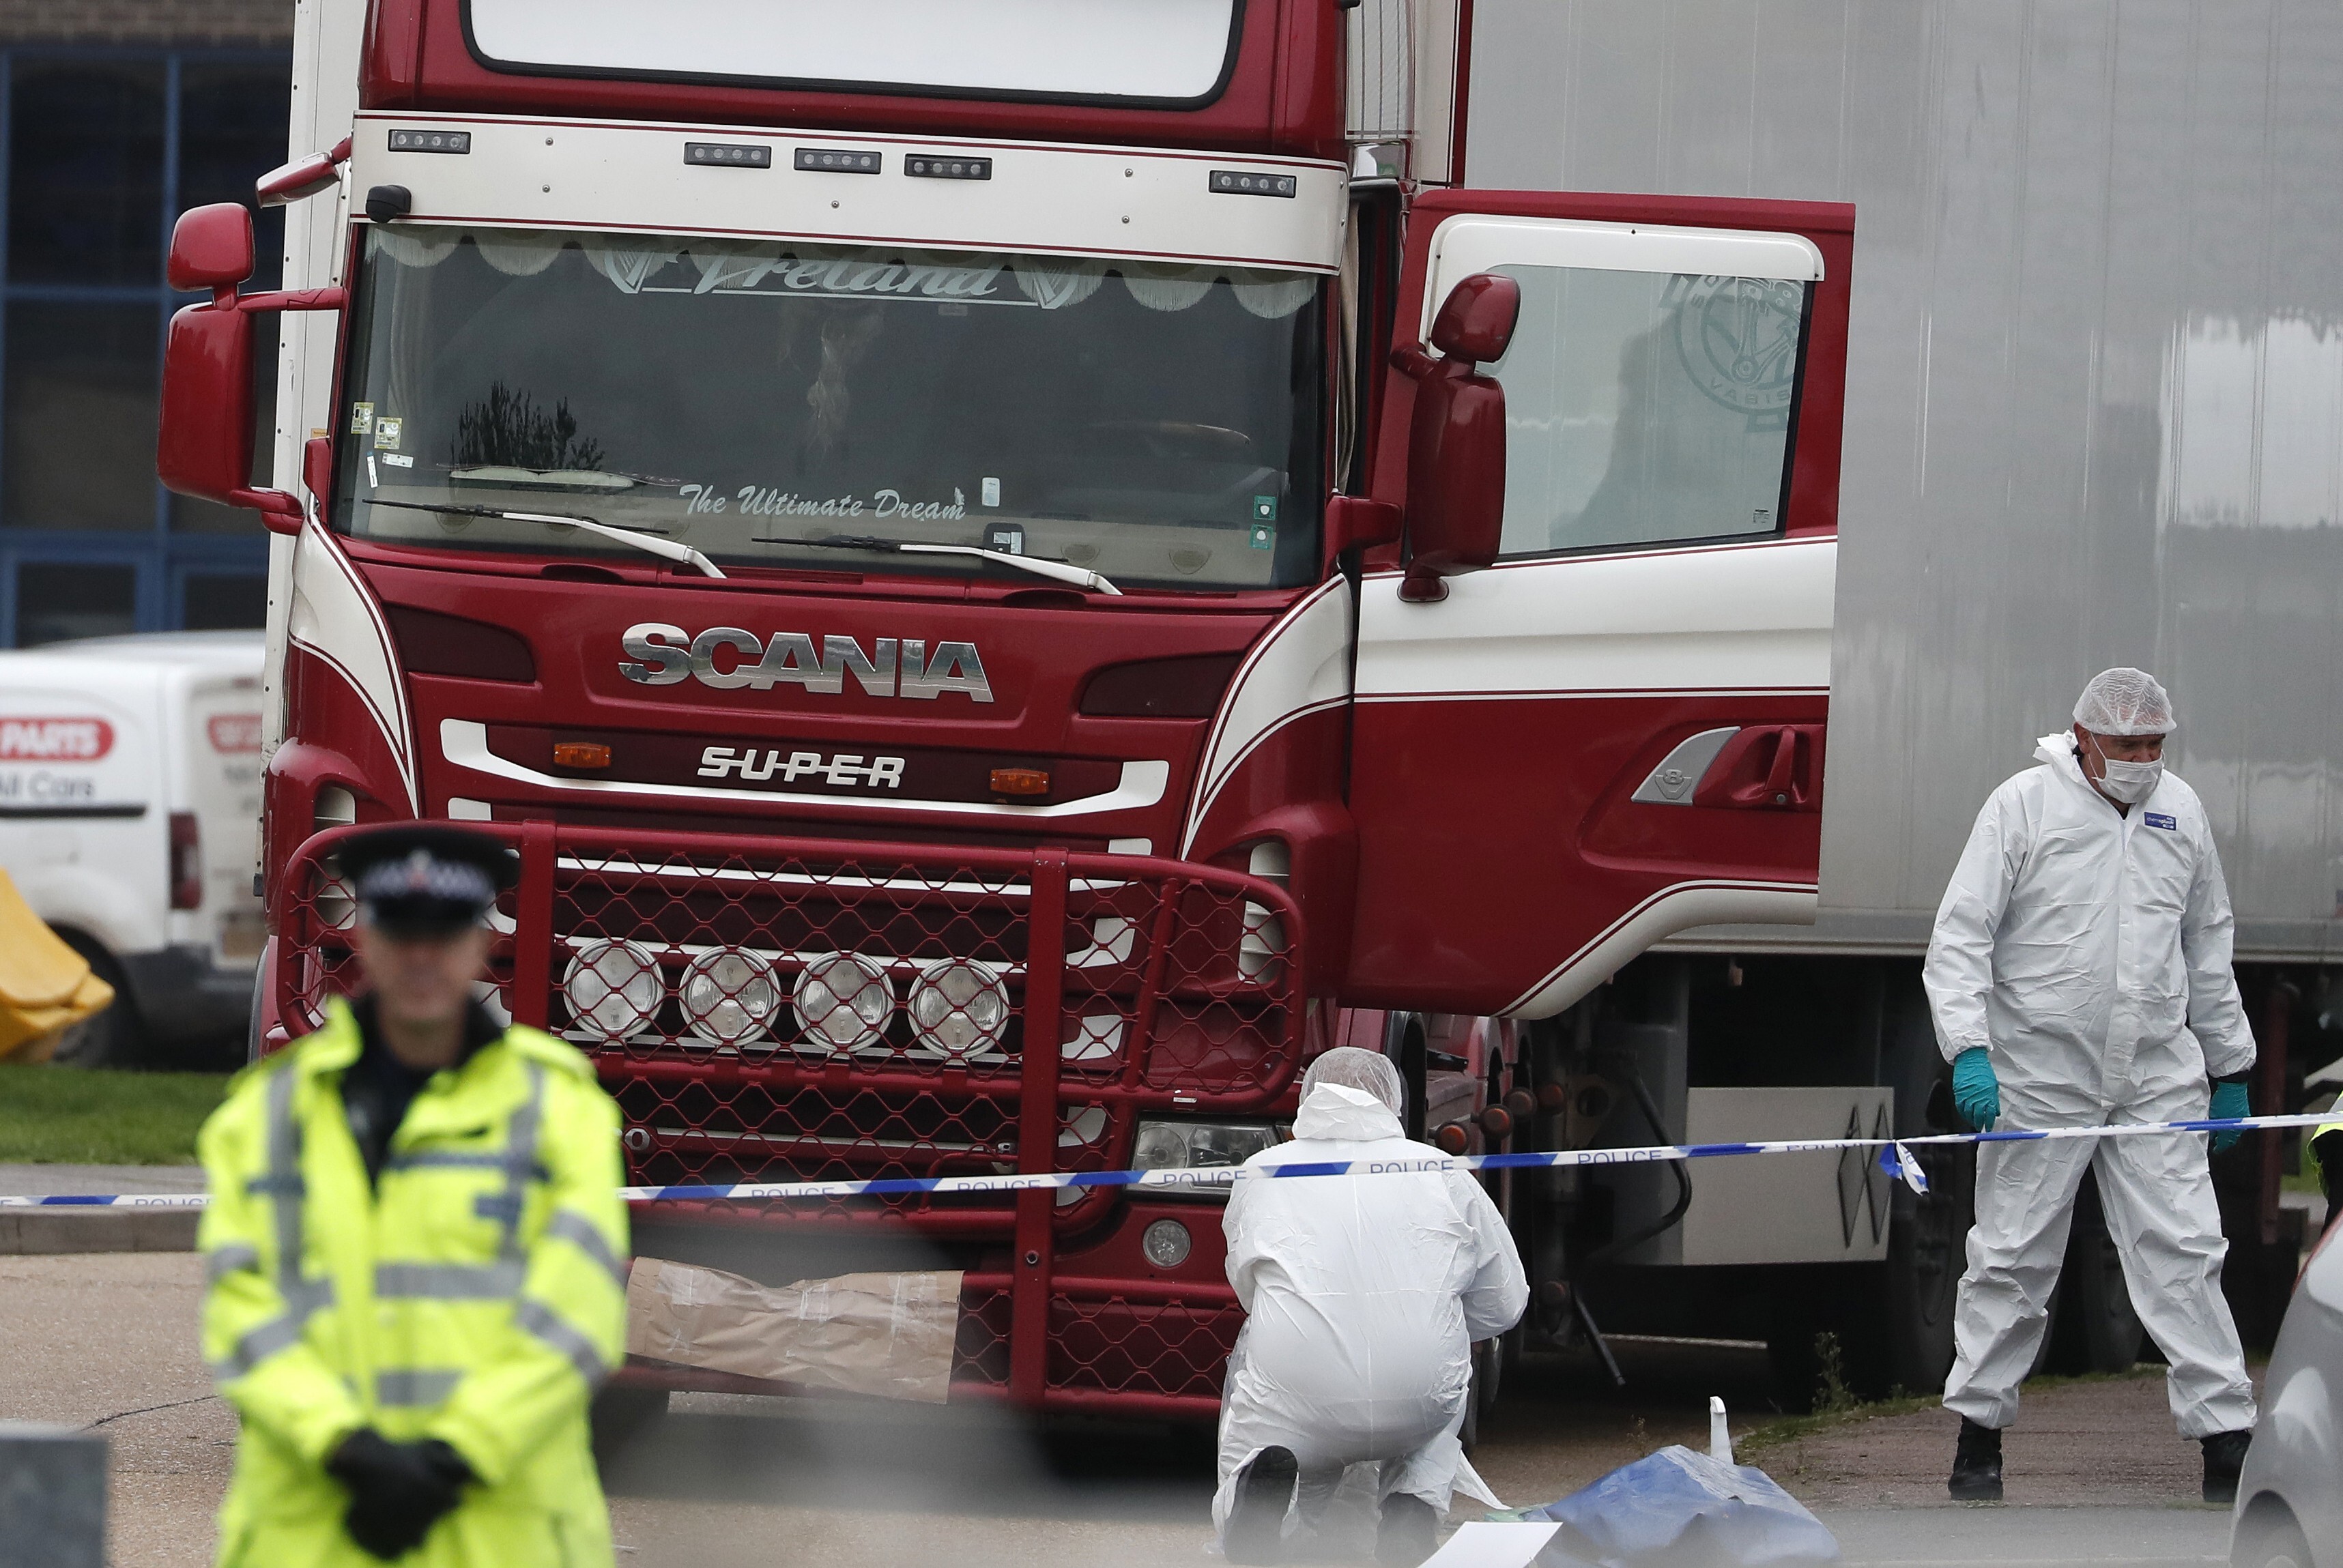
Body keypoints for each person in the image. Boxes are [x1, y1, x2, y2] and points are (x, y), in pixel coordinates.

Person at [198, 824, 630, 1566]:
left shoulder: (559, 1110)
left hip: (497, 1537)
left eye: (446, 932)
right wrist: (342, 1446)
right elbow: (245, 1309)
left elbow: (577, 1313)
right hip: (319, 1534)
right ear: (364, 937)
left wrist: (457, 1456)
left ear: (480, 942)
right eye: (401, 930)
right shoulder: (268, 1115)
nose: (423, 956)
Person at [1924, 668, 2257, 1505]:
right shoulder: (2024, 806)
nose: (2144, 759)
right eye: (2127, 745)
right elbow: (1962, 932)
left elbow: (2206, 943)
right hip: (2040, 1073)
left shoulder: (2179, 812)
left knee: (2185, 1251)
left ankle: (2227, 1444)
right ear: (2083, 739)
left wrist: (2230, 1068)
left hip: (2153, 1073)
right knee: (2009, 1256)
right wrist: (1969, 1049)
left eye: (2155, 744)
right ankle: (1979, 1440)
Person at [1215, 1047, 1527, 1568]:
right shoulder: (1440, 1170)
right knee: (1439, 1394)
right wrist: (1432, 1319)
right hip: (1419, 1398)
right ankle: (1413, 1505)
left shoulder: (1261, 1171)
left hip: (1298, 1390)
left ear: (1307, 1096)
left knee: (1275, 1415)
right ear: (1392, 1100)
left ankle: (1266, 1508)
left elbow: (1250, 1288)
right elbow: (1506, 1303)